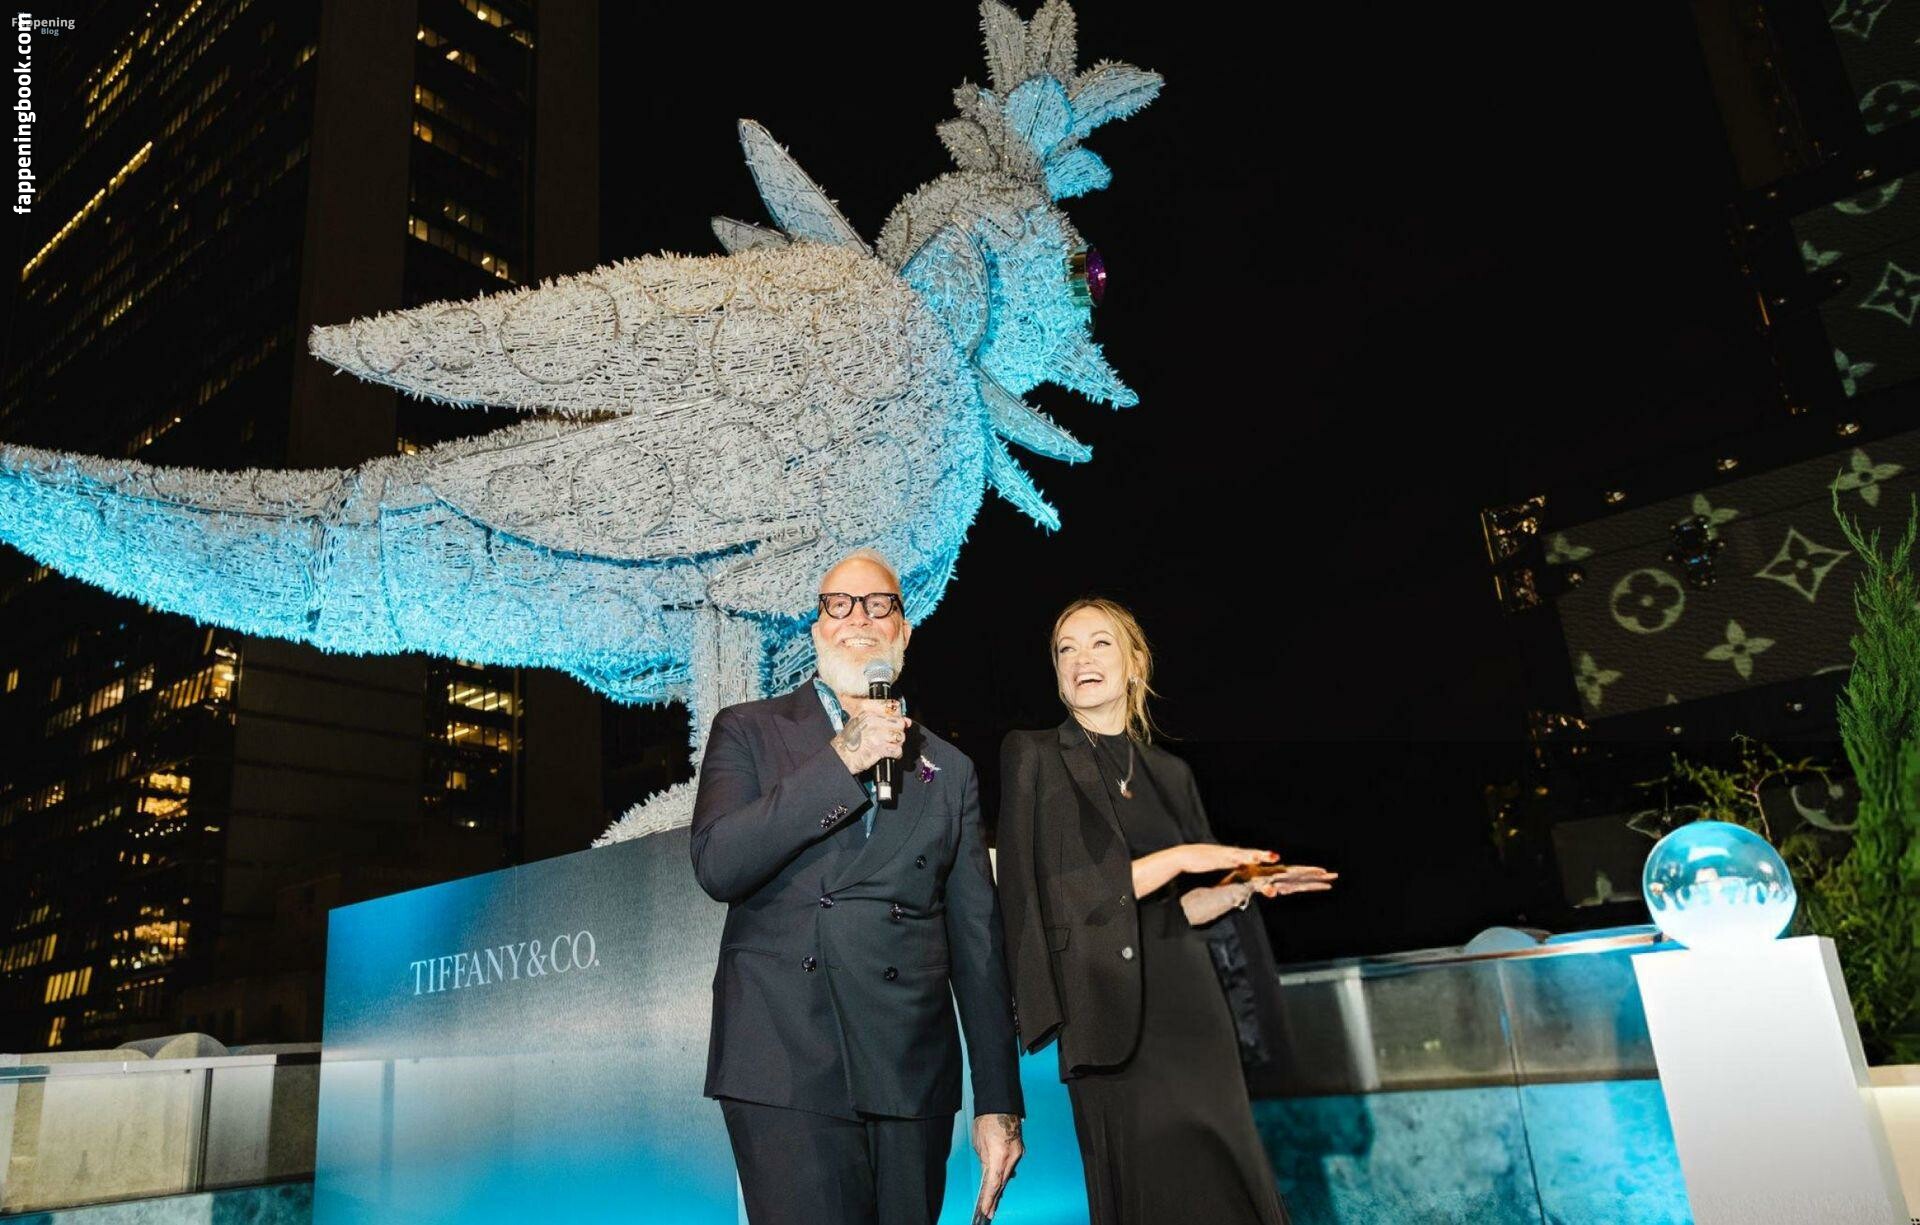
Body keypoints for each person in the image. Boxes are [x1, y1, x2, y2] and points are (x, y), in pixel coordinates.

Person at [690, 548, 1024, 1225]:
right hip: (785, 1056)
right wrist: (842, 757)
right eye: (839, 605)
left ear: (904, 632)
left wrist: (998, 1103)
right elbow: (719, 863)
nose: (859, 619)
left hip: (909, 1068)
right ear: (817, 629)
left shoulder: (949, 769)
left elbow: (977, 945)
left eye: (880, 605)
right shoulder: (748, 730)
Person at [996, 597, 1337, 1225]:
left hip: (1195, 1012)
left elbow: (1178, 912)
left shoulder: (1169, 772)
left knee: (1233, 1194)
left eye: (1100, 643)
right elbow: (1047, 895)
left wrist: (1245, 887)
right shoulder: (1034, 755)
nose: (1081, 658)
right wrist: (1180, 858)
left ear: (1134, 664)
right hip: (1108, 1019)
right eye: (1066, 649)